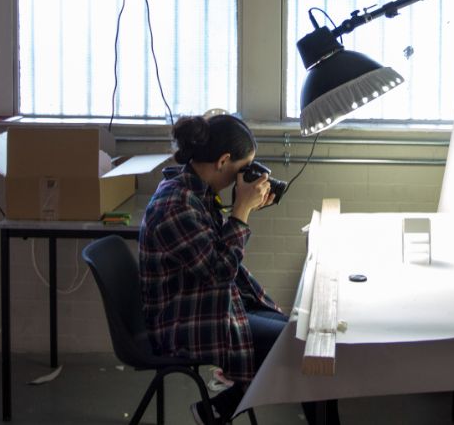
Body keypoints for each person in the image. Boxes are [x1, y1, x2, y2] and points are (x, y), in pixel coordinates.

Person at [139, 113, 339, 425]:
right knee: (304, 346)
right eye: (240, 169)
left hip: (206, 302)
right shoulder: (175, 205)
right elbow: (219, 273)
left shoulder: (194, 190)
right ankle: (219, 409)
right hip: (183, 320)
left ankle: (219, 409)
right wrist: (241, 210)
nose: (240, 178)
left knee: (298, 334)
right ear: (222, 161)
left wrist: (243, 209)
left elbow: (215, 259)